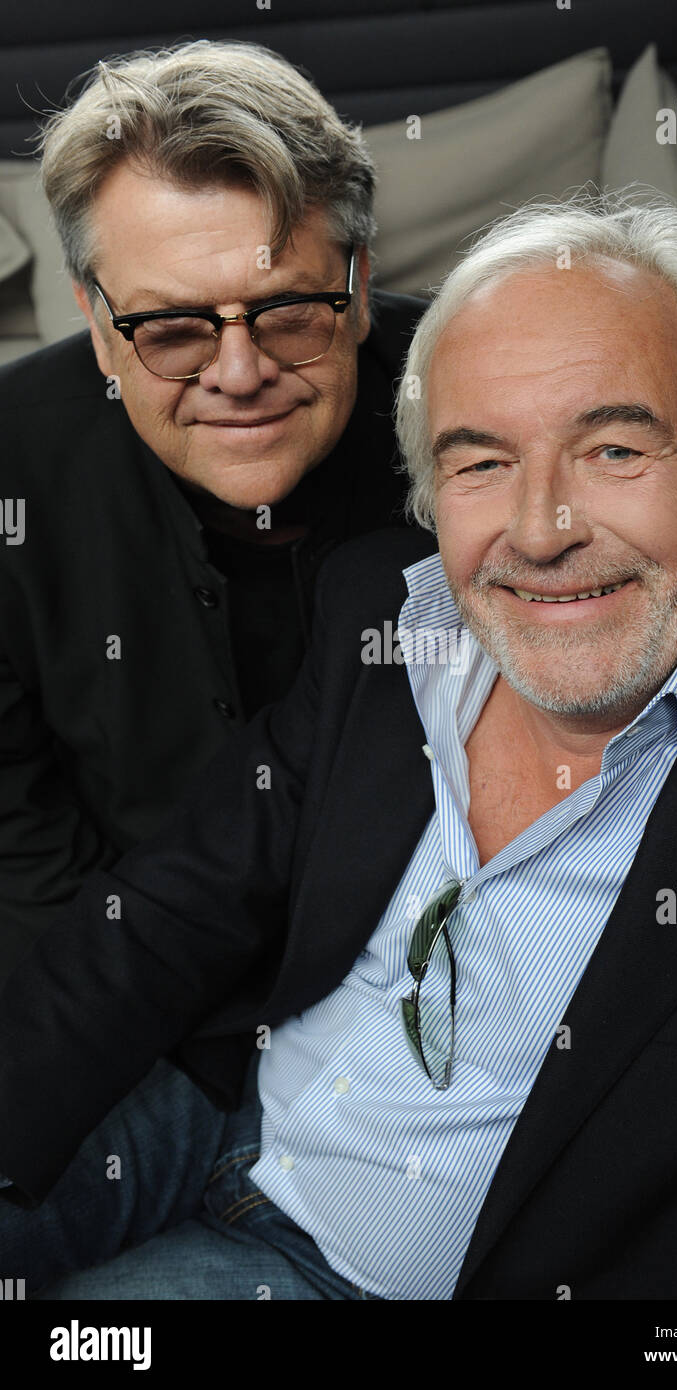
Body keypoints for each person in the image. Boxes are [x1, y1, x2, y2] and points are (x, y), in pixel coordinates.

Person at [1, 196, 677, 1302]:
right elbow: (169, 908)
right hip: (212, 1102)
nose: (539, 532)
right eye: (480, 463)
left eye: (614, 447)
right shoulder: (383, 614)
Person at [0, 39, 424, 983]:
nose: (240, 375)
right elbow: (23, 870)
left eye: (287, 313)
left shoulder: (489, 405)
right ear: (98, 327)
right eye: (173, 327)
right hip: (129, 1005)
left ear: (355, 288)